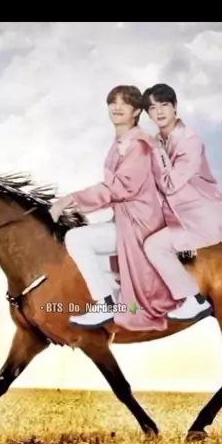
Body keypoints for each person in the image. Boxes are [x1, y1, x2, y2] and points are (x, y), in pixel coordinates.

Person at [48, 84, 184, 330]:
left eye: (125, 103)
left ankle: (106, 304)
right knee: (88, 243)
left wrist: (69, 200)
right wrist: (78, 205)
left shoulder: (138, 145)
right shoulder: (122, 142)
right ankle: (114, 301)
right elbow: (115, 191)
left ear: (136, 111)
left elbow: (121, 187)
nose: (117, 107)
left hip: (139, 223)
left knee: (77, 239)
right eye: (113, 102)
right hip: (127, 218)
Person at [141, 82, 222, 323]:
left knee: (154, 247)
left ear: (175, 107)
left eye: (164, 105)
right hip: (178, 216)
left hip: (201, 218)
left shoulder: (190, 142)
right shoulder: (159, 140)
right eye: (152, 108)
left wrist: (155, 151)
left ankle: (193, 300)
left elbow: (169, 185)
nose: (159, 112)